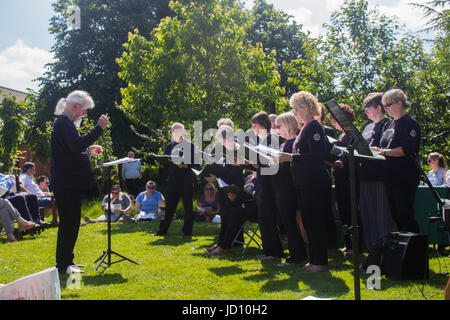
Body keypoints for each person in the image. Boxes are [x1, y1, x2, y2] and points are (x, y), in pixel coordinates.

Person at [51, 90, 109, 274]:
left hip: (68, 182)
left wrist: (89, 149)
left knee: (71, 223)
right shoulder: (64, 124)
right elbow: (75, 146)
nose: (84, 115)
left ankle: (67, 261)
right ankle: (63, 264)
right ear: (75, 106)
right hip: (67, 182)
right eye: (84, 111)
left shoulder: (64, 124)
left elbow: (72, 149)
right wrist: (98, 128)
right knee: (69, 223)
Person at [279, 91, 333, 273]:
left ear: (307, 107)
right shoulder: (305, 128)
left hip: (313, 181)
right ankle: (314, 259)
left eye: (296, 109)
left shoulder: (314, 127)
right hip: (303, 181)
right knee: (309, 222)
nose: (294, 113)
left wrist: (291, 157)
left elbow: (316, 156)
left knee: (316, 222)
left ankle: (320, 262)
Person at [372, 88, 421, 233]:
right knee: (395, 214)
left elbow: (407, 149)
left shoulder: (410, 123)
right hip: (390, 175)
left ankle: (414, 248)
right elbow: (384, 145)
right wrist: (376, 150)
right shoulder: (389, 124)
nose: (386, 109)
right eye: (384, 106)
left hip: (404, 175)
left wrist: (385, 152)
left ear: (399, 103)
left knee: (405, 213)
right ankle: (402, 248)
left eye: (388, 105)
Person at [359, 93, 397, 266]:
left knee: (382, 216)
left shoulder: (389, 124)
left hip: (380, 176)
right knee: (368, 215)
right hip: (364, 175)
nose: (366, 112)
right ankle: (372, 252)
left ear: (379, 107)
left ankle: (384, 254)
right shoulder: (366, 128)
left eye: (369, 108)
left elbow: (387, 148)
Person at [272, 113, 307, 266]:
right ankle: (297, 253)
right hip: (282, 186)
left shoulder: (294, 142)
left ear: (287, 125)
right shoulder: (286, 143)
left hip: (288, 188)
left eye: (279, 126)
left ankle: (296, 255)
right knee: (289, 223)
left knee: (291, 223)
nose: (277, 129)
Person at [204, 125, 246, 255]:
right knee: (224, 216)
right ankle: (221, 243)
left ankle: (227, 245)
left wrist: (219, 174)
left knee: (231, 217)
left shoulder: (239, 150)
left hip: (234, 189)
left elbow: (236, 173)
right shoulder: (219, 151)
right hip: (221, 187)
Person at [251, 111, 284, 260]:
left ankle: (274, 252)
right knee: (263, 218)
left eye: (255, 125)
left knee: (269, 218)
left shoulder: (273, 139)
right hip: (262, 182)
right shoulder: (261, 140)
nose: (253, 129)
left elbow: (273, 162)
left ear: (264, 125)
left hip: (271, 184)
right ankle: (267, 251)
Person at [155, 123, 195, 236]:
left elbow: (194, 162)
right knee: (169, 208)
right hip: (173, 180)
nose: (175, 133)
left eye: (177, 130)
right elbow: (167, 162)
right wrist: (160, 162)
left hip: (186, 180)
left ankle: (186, 232)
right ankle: (162, 230)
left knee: (188, 207)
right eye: (173, 131)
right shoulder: (170, 146)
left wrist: (185, 165)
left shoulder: (189, 145)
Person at [328, 104, 358, 255]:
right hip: (339, 176)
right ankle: (348, 244)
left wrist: (340, 162)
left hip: (350, 178)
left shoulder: (352, 133)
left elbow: (353, 155)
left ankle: (355, 245)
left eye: (334, 120)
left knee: (351, 211)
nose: (333, 123)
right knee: (343, 211)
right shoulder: (341, 135)